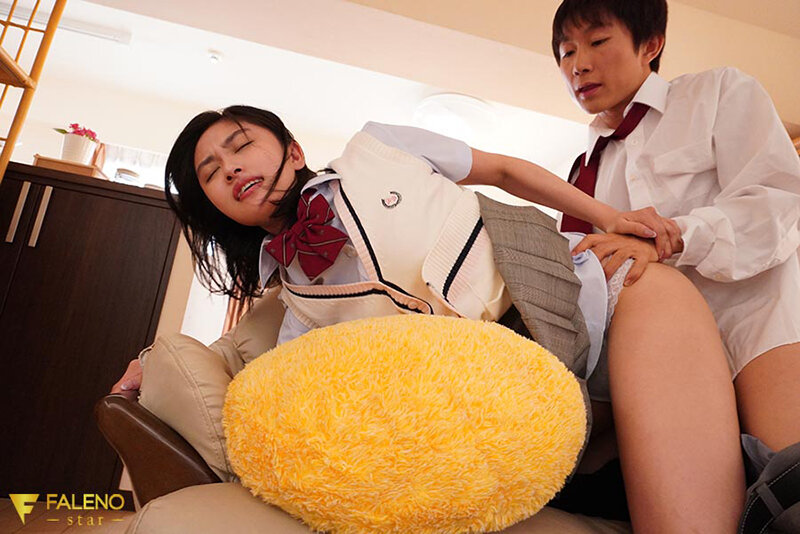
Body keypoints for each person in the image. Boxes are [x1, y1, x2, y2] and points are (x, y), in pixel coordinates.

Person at [112, 105, 743, 531]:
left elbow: (504, 170)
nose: (230, 168)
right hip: (523, 404)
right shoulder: (296, 304)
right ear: (219, 207)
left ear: (293, 148)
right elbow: (265, 375)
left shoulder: (377, 146)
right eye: (212, 174)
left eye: (241, 145)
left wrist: (607, 217)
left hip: (593, 298)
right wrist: (152, 365)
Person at [551, 0, 800, 530]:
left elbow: (775, 201)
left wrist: (673, 238)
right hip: (660, 360)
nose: (578, 64)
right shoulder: (581, 173)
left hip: (758, 320)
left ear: (651, 44)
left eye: (597, 42)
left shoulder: (716, 93)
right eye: (566, 52)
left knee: (790, 488)